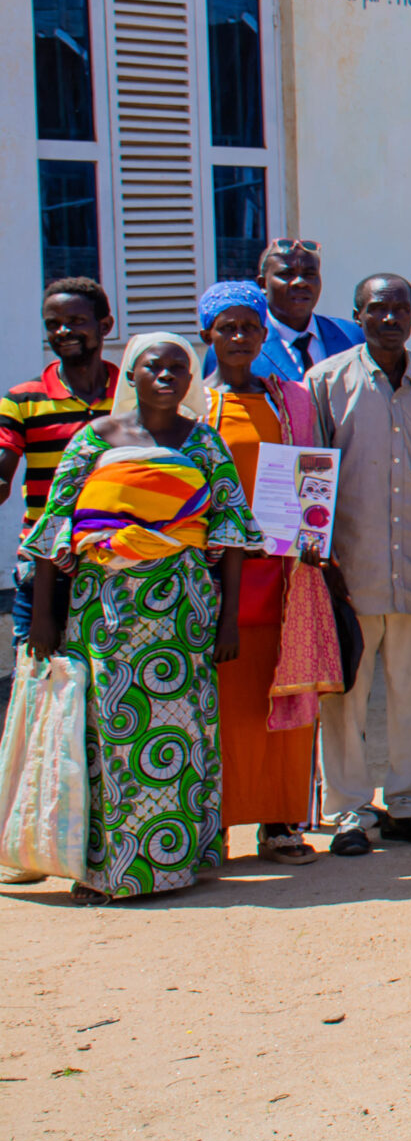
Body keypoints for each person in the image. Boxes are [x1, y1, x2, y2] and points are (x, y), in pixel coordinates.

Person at [20, 333, 258, 900]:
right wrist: (45, 615)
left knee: (181, 734)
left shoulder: (204, 442)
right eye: (155, 366)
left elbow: (231, 532)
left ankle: (174, 860)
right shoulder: (94, 439)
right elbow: (57, 525)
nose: (168, 376)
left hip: (181, 611)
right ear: (131, 373)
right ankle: (108, 869)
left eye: (180, 367)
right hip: (104, 609)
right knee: (106, 736)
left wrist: (228, 622)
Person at [306, 274, 411, 854]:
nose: (389, 319)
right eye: (376, 309)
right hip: (350, 570)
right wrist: (320, 563)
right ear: (357, 315)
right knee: (344, 696)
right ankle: (347, 810)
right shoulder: (325, 382)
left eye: (399, 309)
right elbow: (311, 478)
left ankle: (410, 806)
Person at [200, 282, 340, 865]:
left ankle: (282, 823)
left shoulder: (293, 399)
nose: (238, 338)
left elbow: (312, 475)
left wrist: (313, 535)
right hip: (214, 580)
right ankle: (216, 827)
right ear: (207, 334)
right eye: (225, 327)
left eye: (249, 327)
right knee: (222, 706)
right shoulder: (192, 404)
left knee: (283, 698)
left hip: (285, 574)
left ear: (264, 333)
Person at [0, 278, 119, 726]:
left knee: (108, 695)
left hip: (115, 565)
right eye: (53, 324)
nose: (64, 332)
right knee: (37, 694)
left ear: (106, 324)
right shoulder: (22, 399)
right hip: (43, 569)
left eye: (76, 321)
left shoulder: (133, 395)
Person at [252, 240, 363, 381]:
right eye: (287, 274)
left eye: (309, 275)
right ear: (263, 284)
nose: (301, 282)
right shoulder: (246, 344)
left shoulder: (353, 337)